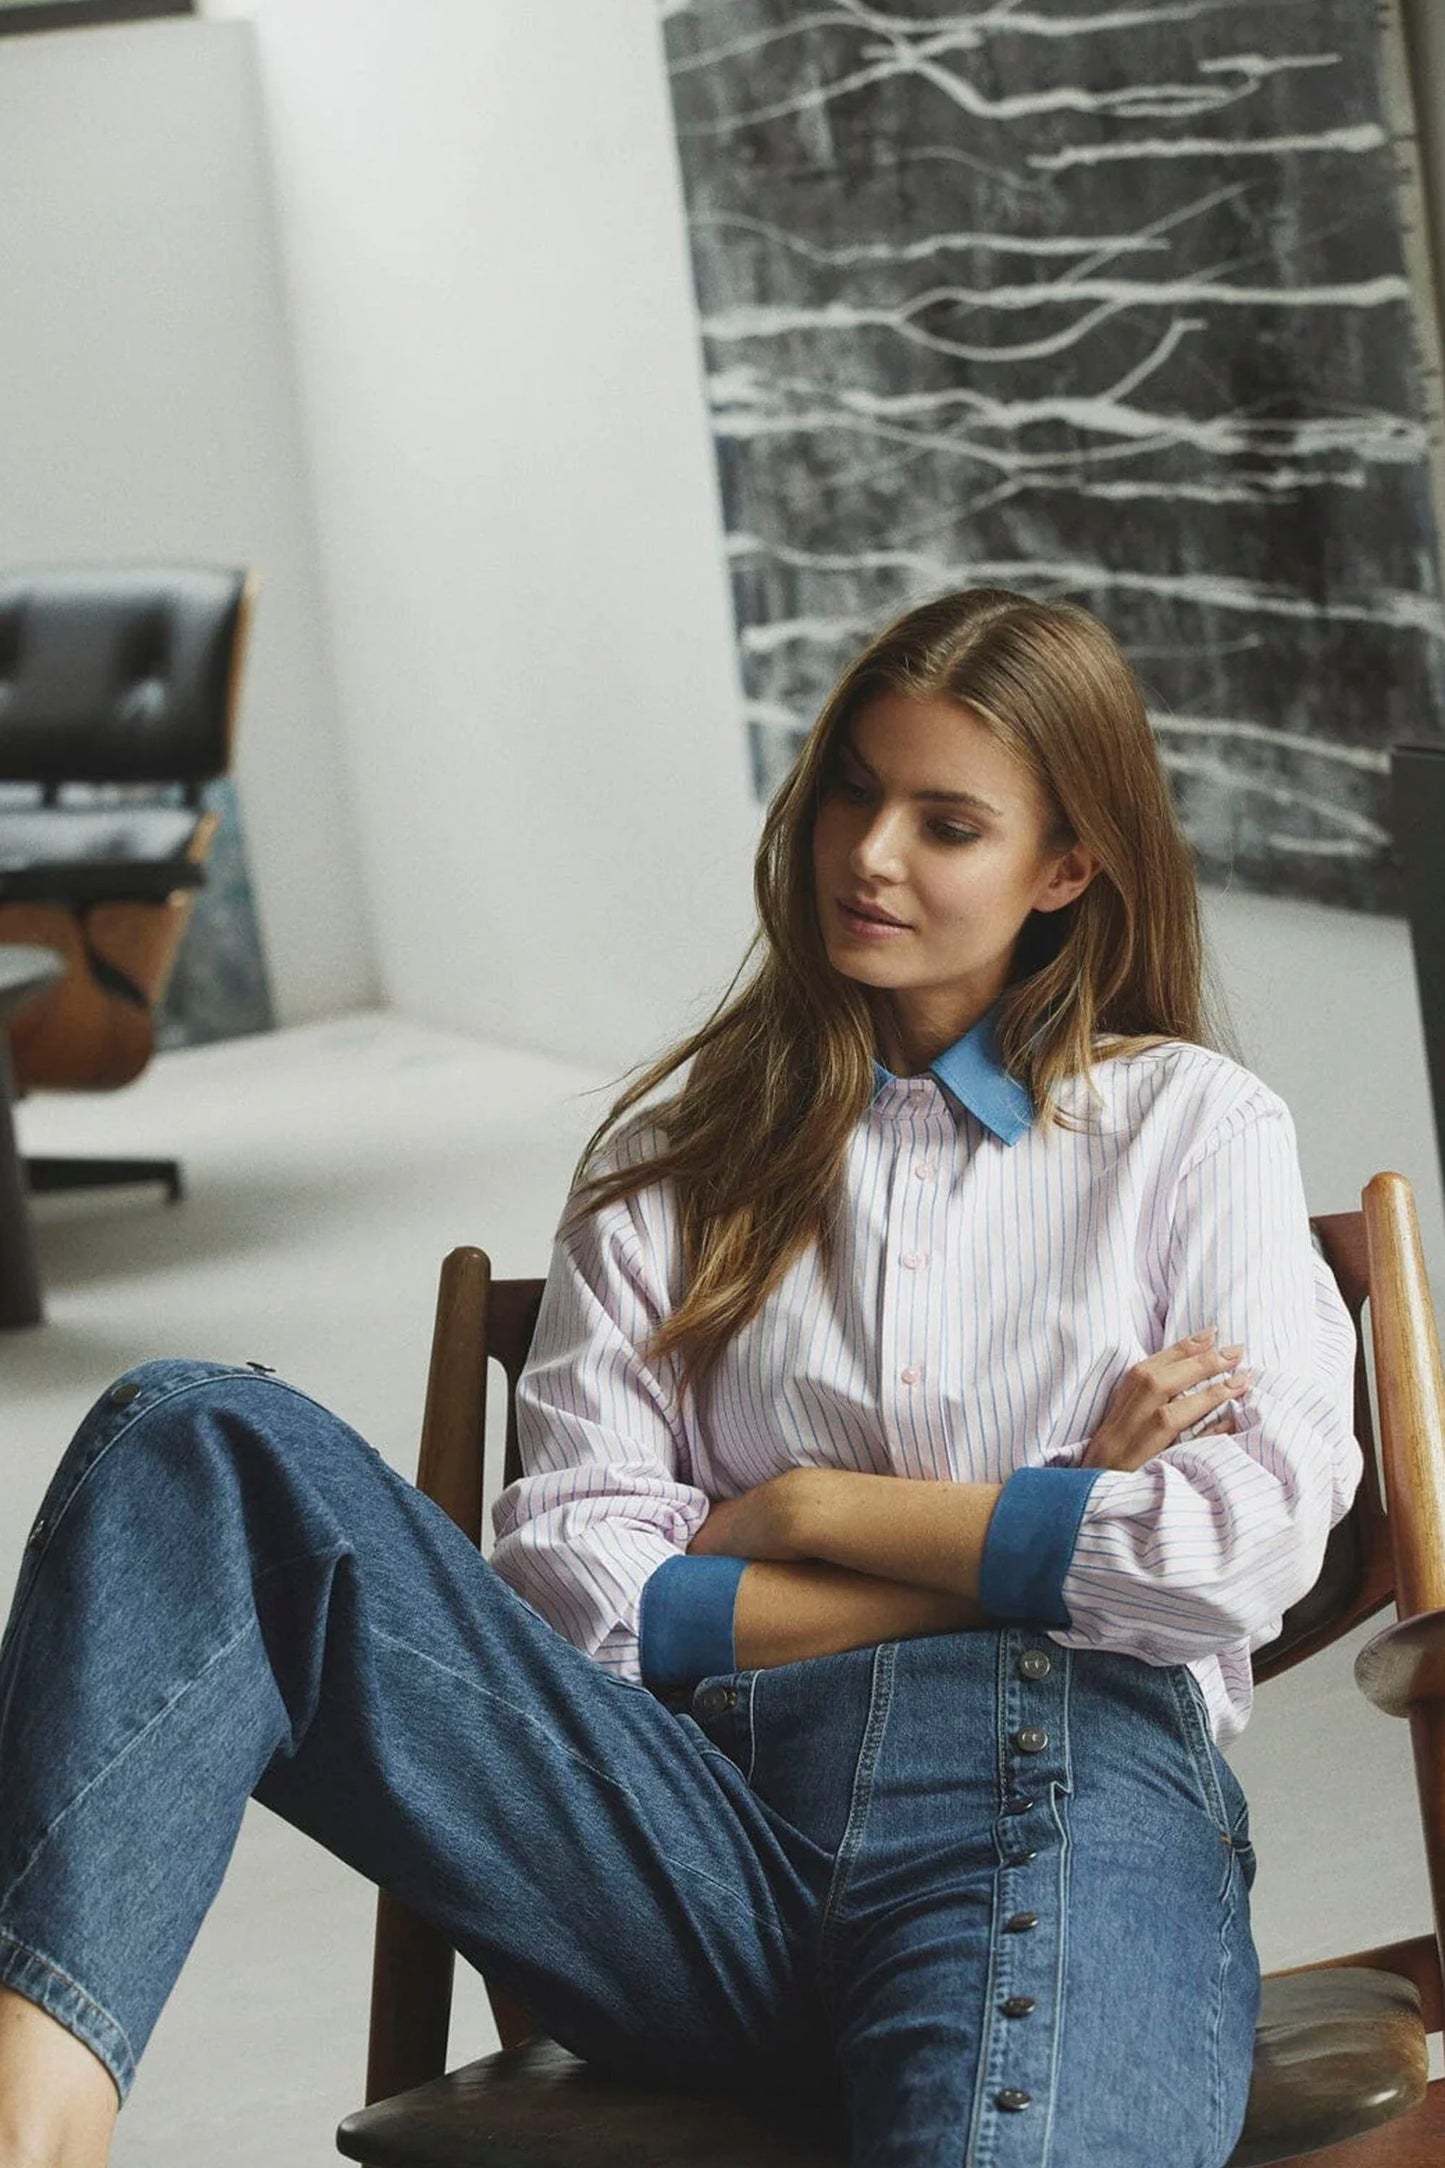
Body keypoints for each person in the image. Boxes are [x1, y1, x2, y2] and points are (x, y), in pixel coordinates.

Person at [0, 587, 1362, 2168]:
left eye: (946, 824)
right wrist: (1048, 1529)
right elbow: (581, 1593)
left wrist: (800, 1510)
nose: (866, 852)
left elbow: (1240, 1544)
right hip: (677, 1835)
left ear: (1065, 869)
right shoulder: (674, 1156)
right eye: (852, 786)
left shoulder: (1192, 1130)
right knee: (196, 1440)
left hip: (1052, 1801)